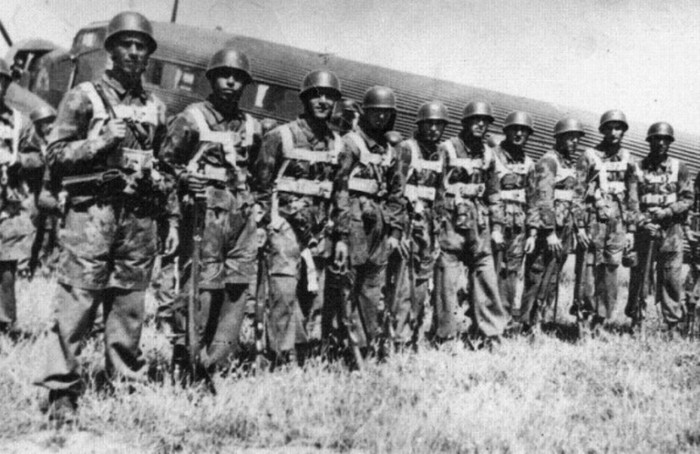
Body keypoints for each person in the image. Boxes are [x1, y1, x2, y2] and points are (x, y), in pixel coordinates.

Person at [34, 11, 178, 423]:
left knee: (129, 303)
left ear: (148, 55)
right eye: (126, 44)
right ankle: (61, 390)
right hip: (91, 215)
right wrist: (98, 143)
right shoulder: (84, 97)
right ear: (111, 50)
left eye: (141, 46)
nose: (134, 52)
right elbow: (55, 156)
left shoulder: (155, 107)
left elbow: (166, 165)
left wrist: (167, 214)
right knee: (77, 302)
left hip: (139, 218)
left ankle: (125, 383)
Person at [160, 47, 261, 373]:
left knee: (237, 287)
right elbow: (165, 164)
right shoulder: (191, 119)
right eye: (224, 76)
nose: (231, 82)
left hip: (240, 215)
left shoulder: (252, 126)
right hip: (203, 214)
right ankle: (188, 358)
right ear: (212, 79)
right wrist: (183, 180)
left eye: (238, 78)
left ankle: (217, 362)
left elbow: (258, 173)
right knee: (201, 285)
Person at [255, 69, 343, 363]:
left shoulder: (338, 144)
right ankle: (279, 356)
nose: (323, 101)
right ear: (305, 99)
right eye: (316, 95)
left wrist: (338, 232)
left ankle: (302, 353)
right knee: (283, 292)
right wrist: (264, 225)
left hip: (319, 229)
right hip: (284, 227)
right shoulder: (280, 137)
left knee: (311, 294)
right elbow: (261, 185)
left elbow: (340, 192)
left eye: (329, 96)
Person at [329, 85, 405, 356]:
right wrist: (341, 233)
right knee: (347, 282)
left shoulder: (390, 151)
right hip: (353, 220)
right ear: (365, 113)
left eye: (386, 113)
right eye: (375, 112)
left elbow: (397, 192)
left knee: (373, 285)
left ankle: (364, 344)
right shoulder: (350, 143)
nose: (381, 118)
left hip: (379, 225)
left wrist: (395, 231)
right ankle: (339, 343)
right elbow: (339, 188)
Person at [434, 101, 507, 345]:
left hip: (479, 223)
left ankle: (490, 333)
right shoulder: (446, 149)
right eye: (476, 120)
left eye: (485, 121)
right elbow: (435, 189)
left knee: (485, 275)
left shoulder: (488, 153)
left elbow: (494, 194)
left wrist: (497, 227)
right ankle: (446, 336)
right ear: (465, 122)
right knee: (447, 278)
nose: (480, 125)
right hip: (451, 221)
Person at [571, 109, 638, 332]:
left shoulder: (628, 159)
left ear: (623, 131)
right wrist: (579, 226)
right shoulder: (589, 156)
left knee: (610, 271)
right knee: (588, 272)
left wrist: (631, 230)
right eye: (609, 128)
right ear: (602, 130)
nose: (614, 132)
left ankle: (601, 321)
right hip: (593, 222)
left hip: (617, 225)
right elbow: (577, 194)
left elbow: (633, 197)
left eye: (618, 128)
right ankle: (583, 322)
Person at [625, 122, 691, 332]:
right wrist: (644, 222)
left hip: (671, 231)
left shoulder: (680, 168)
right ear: (649, 141)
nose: (661, 143)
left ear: (670, 143)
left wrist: (668, 211)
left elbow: (687, 199)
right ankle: (637, 320)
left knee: (671, 278)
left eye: (665, 140)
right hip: (645, 231)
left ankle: (672, 324)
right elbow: (631, 202)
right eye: (656, 139)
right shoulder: (636, 167)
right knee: (640, 277)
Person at [520, 118, 585, 332]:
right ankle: (528, 323)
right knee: (538, 274)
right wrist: (549, 232)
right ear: (558, 138)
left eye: (576, 138)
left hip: (564, 227)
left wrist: (577, 226)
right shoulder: (549, 162)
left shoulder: (569, 164)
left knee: (553, 274)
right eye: (569, 138)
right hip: (548, 230)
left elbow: (574, 198)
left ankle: (543, 319)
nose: (574, 142)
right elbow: (543, 199)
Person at [392, 101, 448, 346]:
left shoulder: (441, 154)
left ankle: (414, 334)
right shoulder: (407, 149)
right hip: (406, 223)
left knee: (422, 283)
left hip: (428, 227)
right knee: (402, 282)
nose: (434, 129)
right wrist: (398, 230)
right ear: (420, 125)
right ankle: (398, 336)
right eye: (429, 124)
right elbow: (396, 190)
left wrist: (437, 230)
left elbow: (441, 193)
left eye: (439, 125)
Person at [492, 111, 536, 321]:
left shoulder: (529, 163)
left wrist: (533, 233)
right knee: (491, 269)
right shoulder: (491, 156)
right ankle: (484, 319)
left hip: (518, 227)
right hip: (494, 224)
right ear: (506, 131)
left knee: (512, 271)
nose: (519, 134)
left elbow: (533, 199)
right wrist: (494, 227)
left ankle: (505, 317)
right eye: (514, 130)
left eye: (523, 131)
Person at [0, 58, 34, 332]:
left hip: (7, 204)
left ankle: (5, 323)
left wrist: (17, 160)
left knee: (6, 266)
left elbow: (40, 157)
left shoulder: (20, 121)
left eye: (1, 81)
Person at [19, 105, 58, 276]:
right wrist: (42, 159)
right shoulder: (29, 141)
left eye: (52, 122)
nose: (50, 126)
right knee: (31, 226)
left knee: (50, 226)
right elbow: (25, 162)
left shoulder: (54, 140)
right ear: (38, 125)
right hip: (32, 189)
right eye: (45, 123)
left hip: (49, 189)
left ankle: (45, 262)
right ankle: (24, 265)